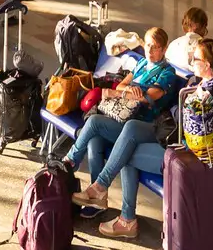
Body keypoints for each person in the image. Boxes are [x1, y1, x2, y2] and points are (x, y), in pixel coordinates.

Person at [79, 35, 213, 237]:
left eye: (195, 59)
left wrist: (177, 110)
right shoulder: (203, 82)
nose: (191, 61)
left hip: (187, 154)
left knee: (126, 153)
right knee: (132, 127)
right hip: (174, 135)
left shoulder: (212, 94)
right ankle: (102, 189)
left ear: (206, 65)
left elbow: (190, 125)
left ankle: (125, 217)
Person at [62, 27, 183, 224]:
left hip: (146, 125)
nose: (150, 51)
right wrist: (130, 91)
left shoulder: (167, 72)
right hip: (125, 119)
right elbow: (121, 85)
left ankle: (74, 164)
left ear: (164, 49)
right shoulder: (142, 63)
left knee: (95, 122)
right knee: (95, 140)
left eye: (156, 47)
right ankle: (96, 200)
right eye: (148, 45)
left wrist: (131, 91)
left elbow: (152, 96)